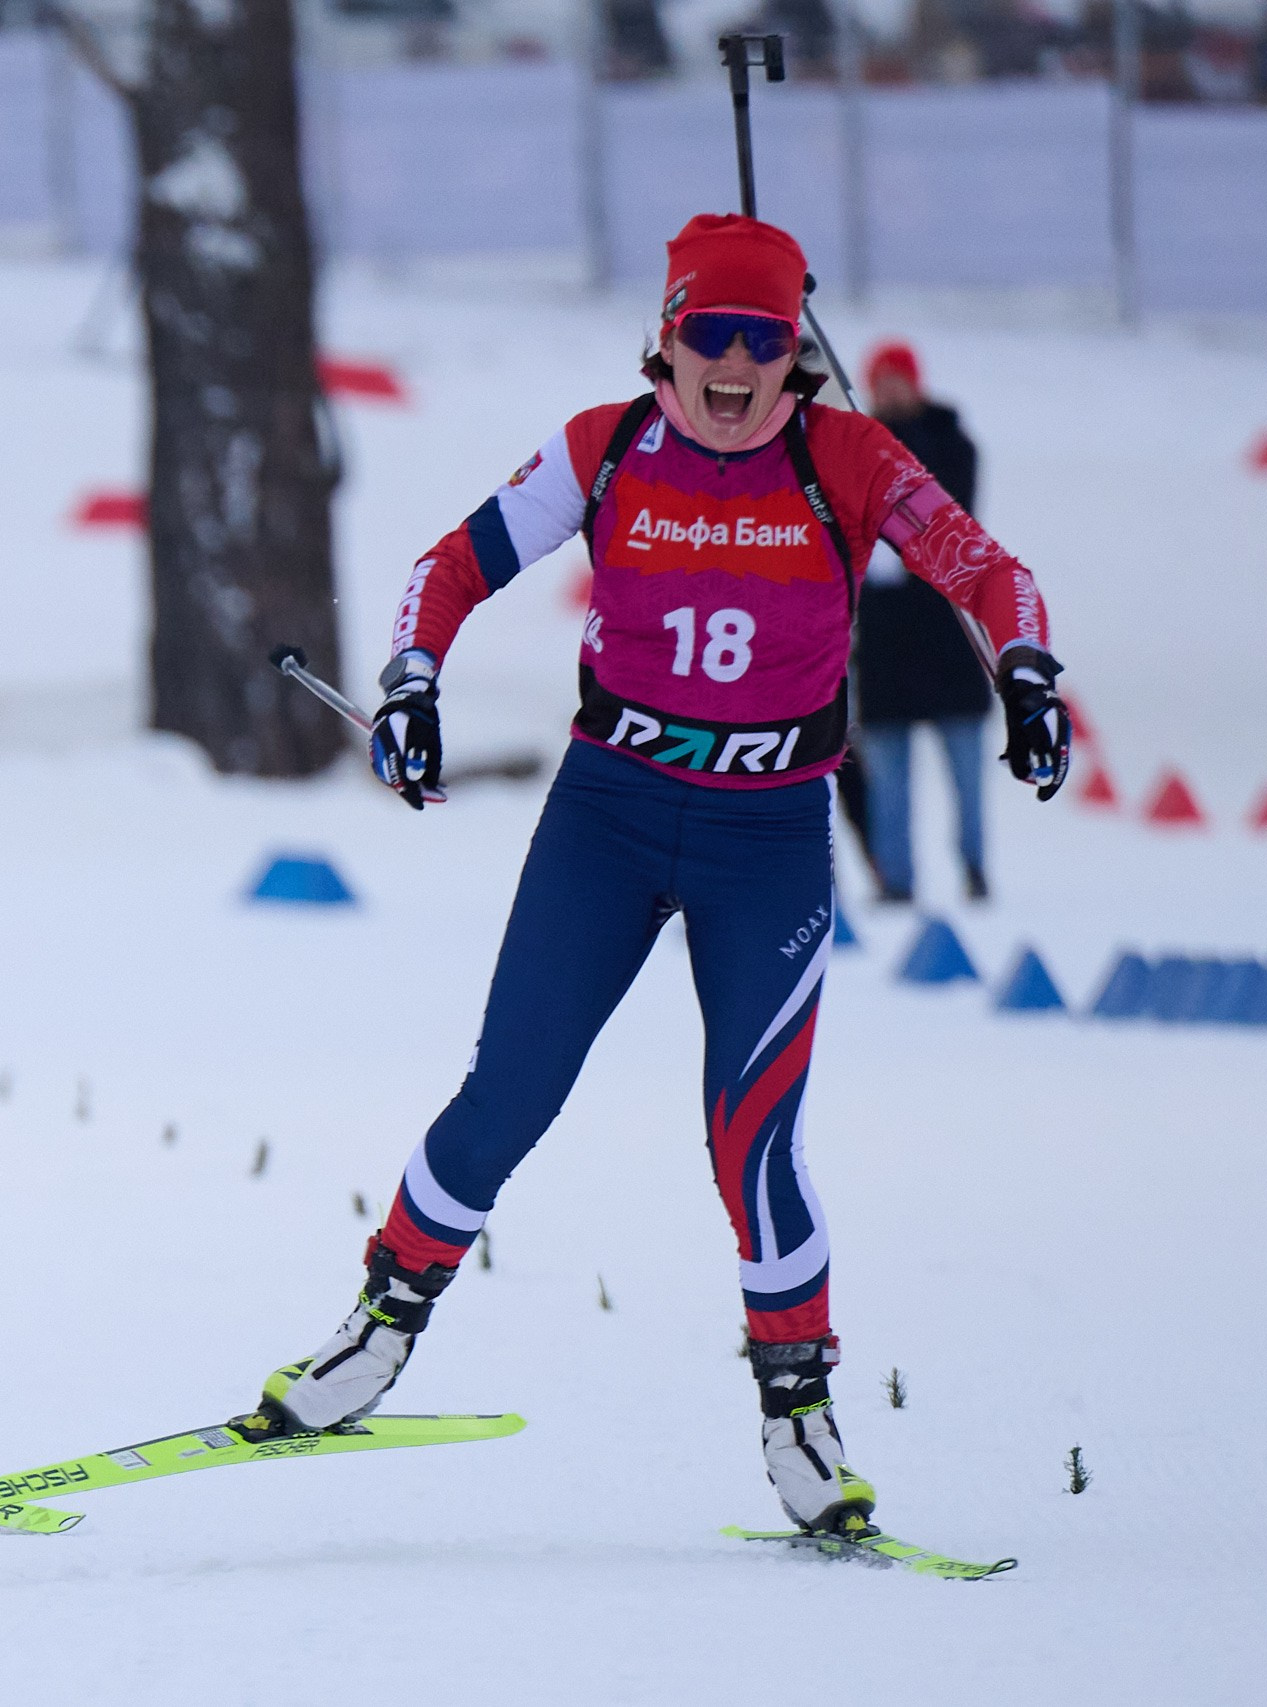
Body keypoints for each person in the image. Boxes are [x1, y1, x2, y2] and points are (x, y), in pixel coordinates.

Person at [245, 215, 1071, 1537]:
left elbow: (987, 570)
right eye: (711, 333)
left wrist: (1025, 672)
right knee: (507, 1091)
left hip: (769, 834)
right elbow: (449, 567)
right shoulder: (606, 446)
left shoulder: (848, 456)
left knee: (752, 1140)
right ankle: (377, 1330)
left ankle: (800, 1412)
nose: (735, 363)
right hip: (610, 815)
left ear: (796, 350)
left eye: (764, 337)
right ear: (667, 338)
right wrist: (409, 685)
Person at [852, 340, 994, 903]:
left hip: (947, 639)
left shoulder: (951, 442)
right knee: (888, 776)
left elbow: (950, 508)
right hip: (884, 645)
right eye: (879, 383)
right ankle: (896, 879)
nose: (888, 393)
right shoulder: (857, 447)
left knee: (966, 771)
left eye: (897, 381)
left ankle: (975, 868)